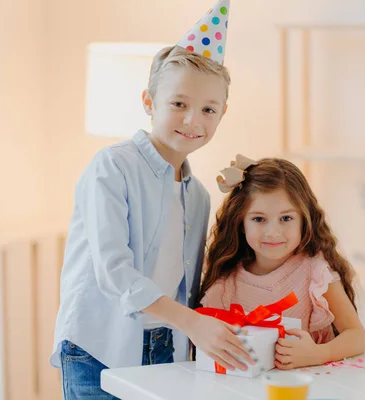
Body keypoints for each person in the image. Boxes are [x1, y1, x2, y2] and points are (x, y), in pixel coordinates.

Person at [50, 1, 254, 398]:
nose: (193, 120)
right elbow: (113, 270)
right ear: (149, 102)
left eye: (208, 109)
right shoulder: (112, 167)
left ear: (222, 114)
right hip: (99, 346)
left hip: (167, 347)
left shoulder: (197, 195)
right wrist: (194, 323)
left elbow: (188, 286)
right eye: (179, 104)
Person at [199, 155, 365, 370]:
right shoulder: (225, 284)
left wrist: (318, 353)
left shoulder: (315, 273)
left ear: (304, 220)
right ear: (240, 223)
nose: (273, 232)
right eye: (259, 219)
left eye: (286, 218)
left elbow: (356, 336)